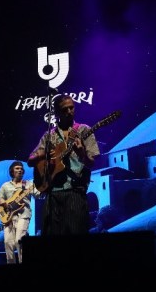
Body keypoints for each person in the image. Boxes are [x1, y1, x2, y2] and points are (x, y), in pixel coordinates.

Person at [26, 95, 100, 236]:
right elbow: (30, 160)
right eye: (64, 109)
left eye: (71, 107)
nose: (69, 111)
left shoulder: (84, 130)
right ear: (57, 113)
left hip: (75, 192)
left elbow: (93, 164)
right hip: (52, 194)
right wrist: (44, 155)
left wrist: (82, 154)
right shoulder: (49, 135)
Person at [0, 160, 34, 264]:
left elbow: (39, 194)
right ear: (12, 171)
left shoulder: (29, 184)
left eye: (21, 169)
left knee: (20, 240)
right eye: (17, 168)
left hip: (23, 214)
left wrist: (43, 186)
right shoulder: (5, 185)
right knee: (8, 243)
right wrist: (3, 202)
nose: (20, 170)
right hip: (8, 216)